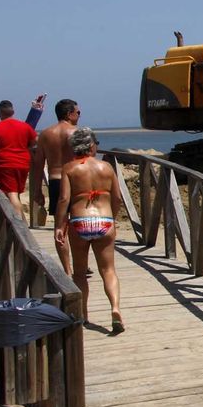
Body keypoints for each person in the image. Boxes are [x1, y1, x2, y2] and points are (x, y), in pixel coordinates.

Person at [57, 126, 124, 333]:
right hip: (104, 221)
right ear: (92, 145)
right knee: (108, 270)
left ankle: (83, 313)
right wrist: (112, 219)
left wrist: (59, 225)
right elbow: (117, 198)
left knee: (79, 273)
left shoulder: (69, 168)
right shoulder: (106, 167)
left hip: (80, 222)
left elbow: (64, 199)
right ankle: (115, 308)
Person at [33, 99, 81, 269]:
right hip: (75, 181)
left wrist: (37, 190)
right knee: (78, 224)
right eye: (78, 112)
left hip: (55, 181)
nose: (79, 116)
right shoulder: (78, 133)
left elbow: (38, 164)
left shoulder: (45, 134)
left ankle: (67, 269)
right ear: (69, 114)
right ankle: (80, 264)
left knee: (60, 226)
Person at [0, 100, 37, 217]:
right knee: (15, 194)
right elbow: (34, 143)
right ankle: (21, 221)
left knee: (11, 194)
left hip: (6, 165)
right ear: (13, 112)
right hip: (23, 164)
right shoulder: (25, 127)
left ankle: (18, 224)